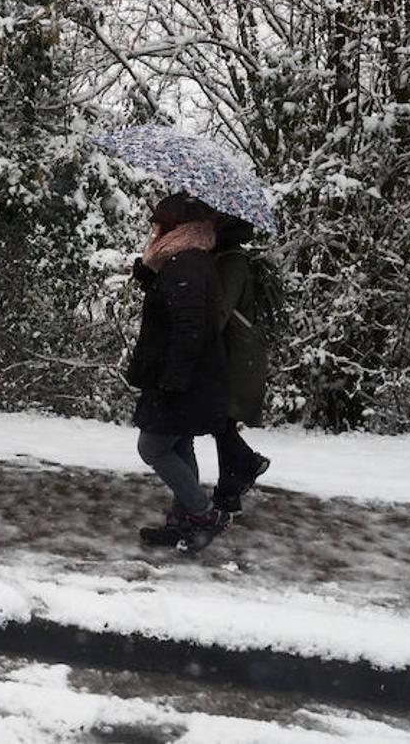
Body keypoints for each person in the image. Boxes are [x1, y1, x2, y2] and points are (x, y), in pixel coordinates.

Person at [127, 192, 231, 551]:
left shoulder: (185, 265)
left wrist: (174, 380)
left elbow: (188, 328)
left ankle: (203, 514)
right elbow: (172, 308)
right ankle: (184, 522)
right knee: (180, 442)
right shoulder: (186, 262)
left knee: (153, 447)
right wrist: (149, 276)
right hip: (185, 376)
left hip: (180, 378)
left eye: (158, 223)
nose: (153, 230)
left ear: (174, 228)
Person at [210, 216, 271, 512]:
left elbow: (220, 312)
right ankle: (229, 489)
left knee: (221, 418)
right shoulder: (231, 259)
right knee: (222, 420)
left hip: (237, 356)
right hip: (239, 355)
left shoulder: (232, 263)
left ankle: (243, 468)